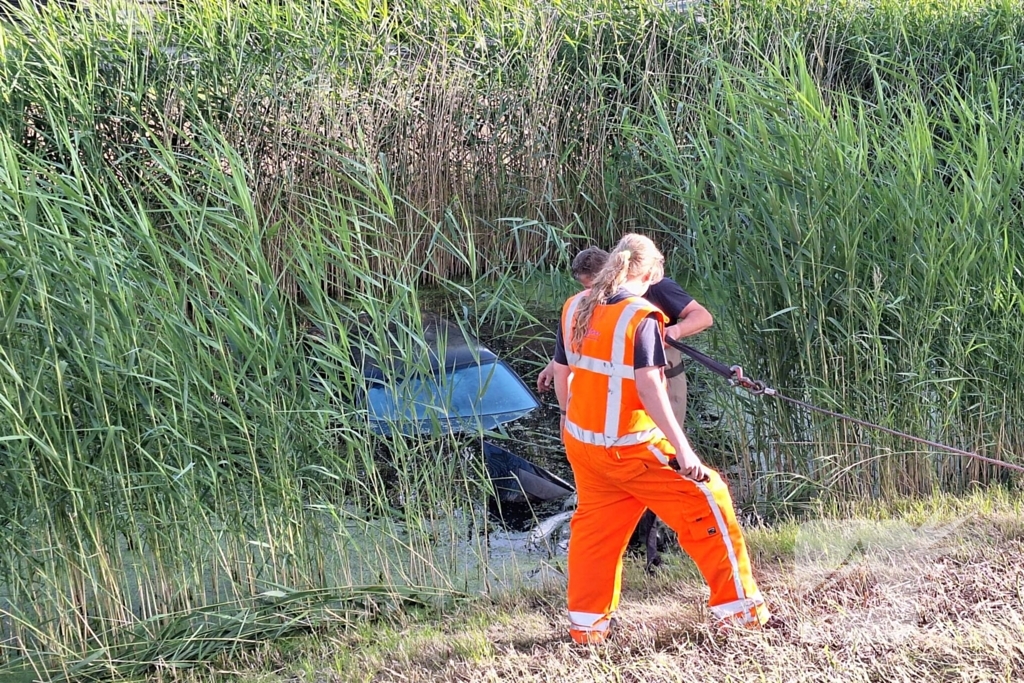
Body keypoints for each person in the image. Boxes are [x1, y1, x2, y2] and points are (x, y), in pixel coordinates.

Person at [553, 233, 770, 644]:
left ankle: (586, 628)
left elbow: (563, 374)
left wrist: (569, 422)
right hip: (630, 446)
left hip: (584, 445)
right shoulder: (641, 317)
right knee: (710, 499)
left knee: (596, 533)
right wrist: (685, 451)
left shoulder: (574, 306)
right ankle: (742, 613)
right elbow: (651, 389)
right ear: (652, 273)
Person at [538, 246, 712, 431]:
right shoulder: (594, 299)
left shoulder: (658, 286)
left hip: (662, 375)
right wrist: (556, 363)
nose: (593, 292)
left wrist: (675, 331)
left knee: (664, 440)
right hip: (619, 383)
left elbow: (703, 317)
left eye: (595, 285)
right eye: (586, 288)